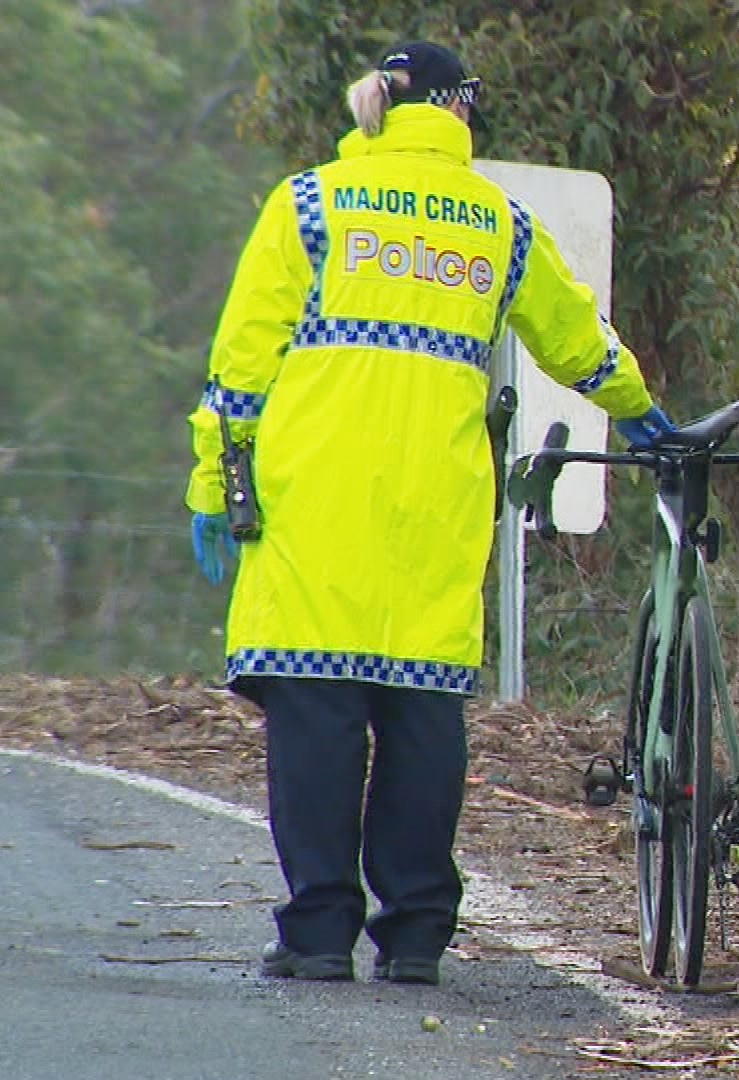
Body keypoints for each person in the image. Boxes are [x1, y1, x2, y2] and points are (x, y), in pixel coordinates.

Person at [184, 41, 675, 985]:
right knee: (419, 716)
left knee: (316, 714)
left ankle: (319, 933)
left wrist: (215, 484)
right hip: (436, 511)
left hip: (312, 503)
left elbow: (241, 367)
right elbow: (576, 339)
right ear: (458, 112)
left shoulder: (310, 204)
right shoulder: (498, 220)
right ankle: (414, 937)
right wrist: (639, 410)